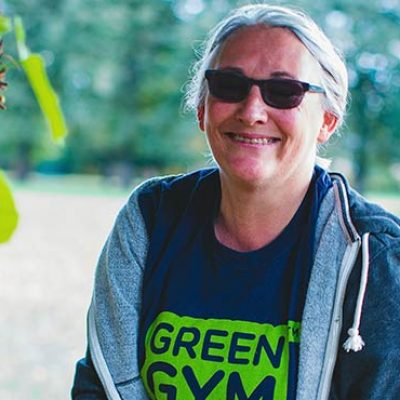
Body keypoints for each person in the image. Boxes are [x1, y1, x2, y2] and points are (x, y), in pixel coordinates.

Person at [71, 3, 400, 400]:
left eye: (284, 92)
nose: (252, 111)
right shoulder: (150, 218)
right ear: (202, 107)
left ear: (327, 121)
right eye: (229, 85)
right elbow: (101, 387)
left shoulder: (375, 256)